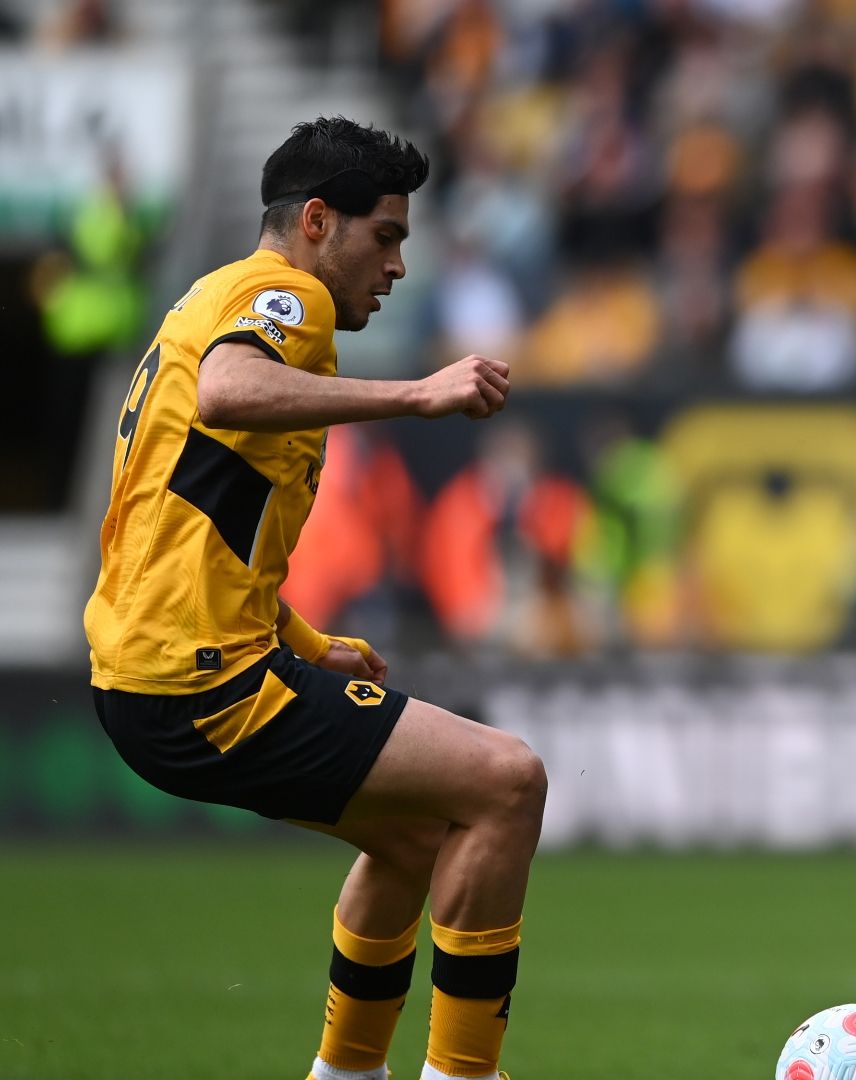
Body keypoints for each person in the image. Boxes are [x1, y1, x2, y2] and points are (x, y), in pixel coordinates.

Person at [84, 117, 541, 1080]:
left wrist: (296, 633)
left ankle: (345, 1075)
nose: (399, 265)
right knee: (507, 781)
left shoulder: (209, 297)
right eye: (387, 236)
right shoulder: (284, 295)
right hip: (203, 684)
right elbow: (227, 393)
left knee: (421, 832)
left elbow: (180, 515)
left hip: (157, 672)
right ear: (319, 222)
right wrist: (418, 396)